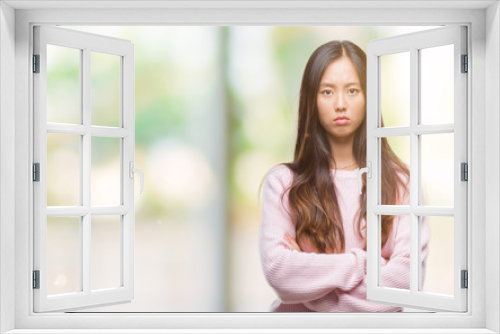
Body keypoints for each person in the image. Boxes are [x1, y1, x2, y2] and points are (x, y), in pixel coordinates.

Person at [259, 40, 430, 312]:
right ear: (311, 99)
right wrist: (364, 264)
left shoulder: (400, 182)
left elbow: (406, 282)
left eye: (352, 90)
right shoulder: (283, 183)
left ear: (369, 96)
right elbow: (279, 271)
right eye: (327, 92)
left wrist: (310, 289)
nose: (340, 104)